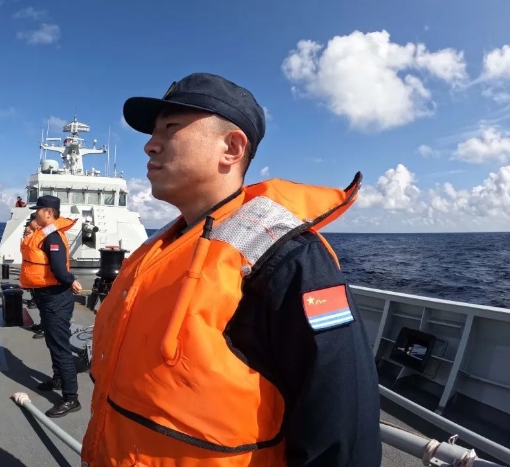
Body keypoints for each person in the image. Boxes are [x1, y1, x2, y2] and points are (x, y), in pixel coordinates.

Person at [81, 73, 382, 466]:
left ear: (232, 148)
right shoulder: (160, 249)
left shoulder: (291, 259)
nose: (150, 145)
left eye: (170, 128)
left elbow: (340, 433)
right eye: (153, 133)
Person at [19, 195, 84, 417]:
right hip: (47, 297)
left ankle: (71, 398)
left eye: (38, 210)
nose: (35, 213)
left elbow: (59, 269)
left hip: (57, 298)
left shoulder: (52, 237)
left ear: (48, 212)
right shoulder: (44, 234)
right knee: (52, 341)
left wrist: (70, 280)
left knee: (60, 347)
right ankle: (58, 379)